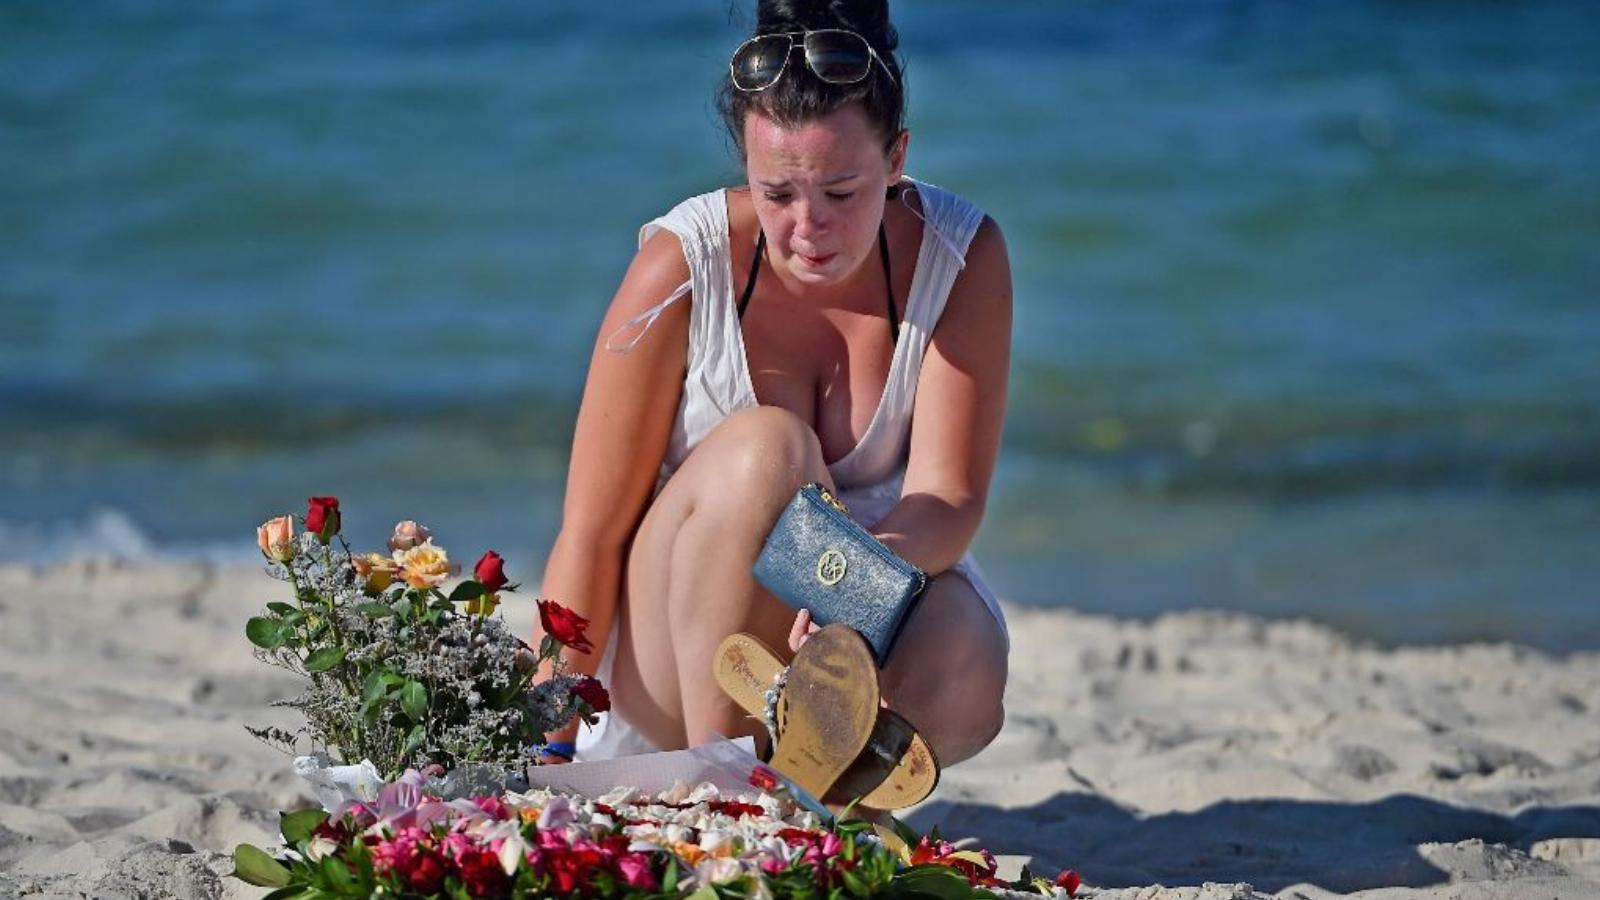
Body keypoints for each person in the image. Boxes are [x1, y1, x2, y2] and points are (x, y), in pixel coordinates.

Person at [534, 0, 1012, 772]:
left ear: (897, 160)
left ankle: (810, 806)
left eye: (842, 193)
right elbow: (590, 532)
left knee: (963, 653)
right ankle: (726, 785)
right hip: (677, 653)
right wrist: (544, 736)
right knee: (770, 446)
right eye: (778, 194)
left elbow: (948, 499)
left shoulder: (960, 255)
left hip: (844, 634)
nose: (807, 228)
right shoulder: (681, 264)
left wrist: (850, 595)